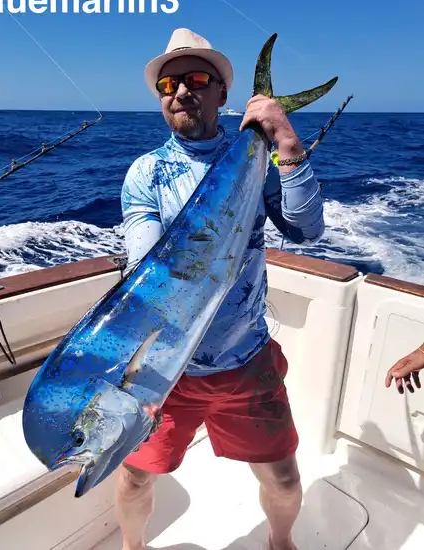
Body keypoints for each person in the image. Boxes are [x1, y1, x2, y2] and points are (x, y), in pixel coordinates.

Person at [116, 28, 325, 550]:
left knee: (284, 479)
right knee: (135, 476)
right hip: (167, 372)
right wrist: (138, 379)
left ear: (222, 93)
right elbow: (145, 269)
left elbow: (307, 231)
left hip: (246, 360)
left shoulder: (256, 156)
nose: (181, 92)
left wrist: (285, 141)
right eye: (168, 84)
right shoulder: (146, 174)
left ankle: (280, 542)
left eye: (196, 79)